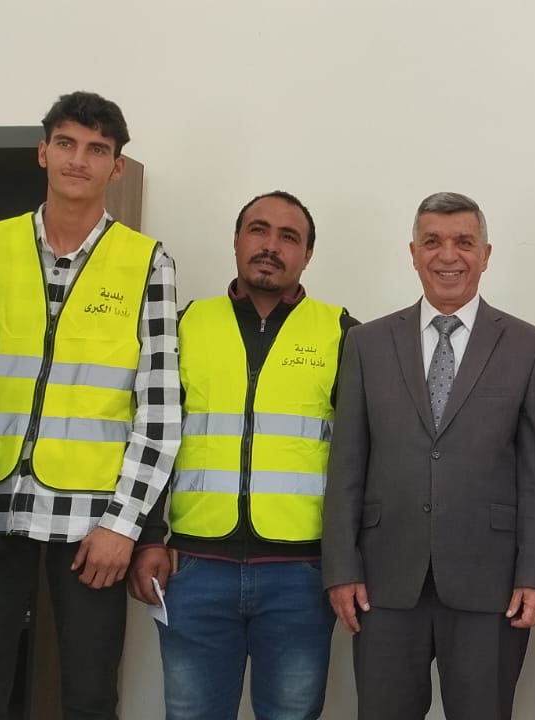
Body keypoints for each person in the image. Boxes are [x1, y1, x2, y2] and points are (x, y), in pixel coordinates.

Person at [0, 91, 180, 720]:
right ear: (43, 152)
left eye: (97, 149)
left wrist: (123, 526)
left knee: (88, 694)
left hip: (92, 523)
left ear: (117, 167)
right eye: (66, 143)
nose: (79, 159)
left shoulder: (146, 262)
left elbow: (159, 408)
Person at [323, 191, 535, 719]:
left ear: (486, 254)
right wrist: (340, 567)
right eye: (432, 241)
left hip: (491, 581)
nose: (448, 255)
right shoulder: (366, 344)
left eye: (464, 242)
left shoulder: (528, 347)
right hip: (383, 580)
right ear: (413, 253)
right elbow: (346, 465)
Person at [129, 191, 355, 718]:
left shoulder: (342, 333)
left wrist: (347, 561)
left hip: (301, 575)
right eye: (258, 230)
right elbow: (151, 435)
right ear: (236, 240)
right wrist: (149, 537)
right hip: (194, 568)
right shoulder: (184, 325)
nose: (271, 246)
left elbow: (360, 458)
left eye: (288, 237)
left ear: (307, 255)